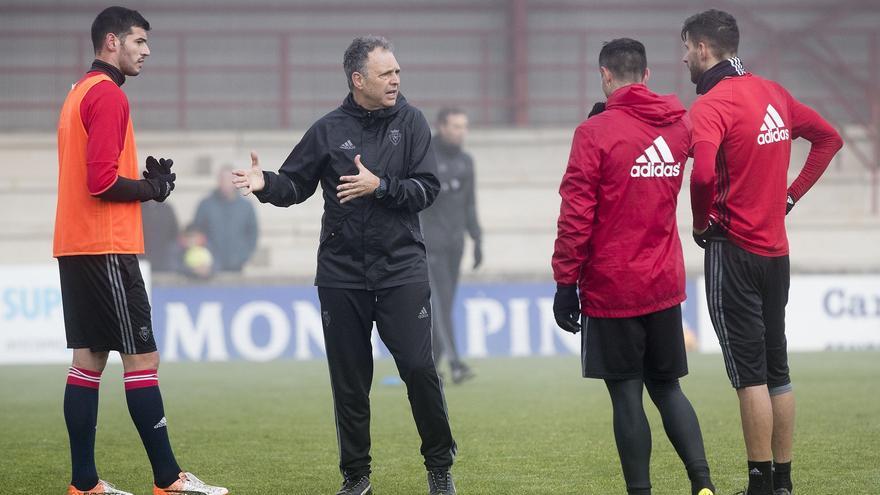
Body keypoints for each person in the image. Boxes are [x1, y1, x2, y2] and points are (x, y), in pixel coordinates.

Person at [232, 36, 457, 495]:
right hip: (342, 274)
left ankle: (439, 466)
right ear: (358, 80)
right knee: (350, 384)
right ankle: (356, 478)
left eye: (397, 71)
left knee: (418, 368)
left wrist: (382, 186)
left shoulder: (412, 123)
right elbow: (295, 184)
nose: (396, 79)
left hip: (402, 269)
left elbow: (427, 189)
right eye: (385, 73)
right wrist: (264, 183)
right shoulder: (328, 129)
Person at [53, 7, 227, 495]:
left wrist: (146, 184)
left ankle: (84, 484)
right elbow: (103, 180)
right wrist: (153, 188)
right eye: (139, 42)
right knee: (142, 359)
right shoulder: (107, 96)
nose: (146, 51)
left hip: (75, 243)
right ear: (112, 42)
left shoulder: (77, 93)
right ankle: (169, 480)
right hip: (106, 245)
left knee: (87, 360)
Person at [682, 10, 843, 495]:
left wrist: (700, 221)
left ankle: (758, 485)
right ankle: (784, 484)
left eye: (687, 47)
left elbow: (704, 175)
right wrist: (789, 196)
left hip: (734, 252)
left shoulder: (712, 104)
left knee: (749, 376)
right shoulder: (774, 92)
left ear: (705, 49)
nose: (685, 57)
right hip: (777, 253)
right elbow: (828, 138)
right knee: (778, 369)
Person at [551, 38, 716, 495]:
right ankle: (703, 485)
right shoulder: (679, 125)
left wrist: (566, 283)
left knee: (626, 394)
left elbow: (576, 214)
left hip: (612, 286)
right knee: (667, 388)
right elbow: (705, 170)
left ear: (605, 76)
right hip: (663, 281)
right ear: (646, 75)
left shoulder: (594, 133)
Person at [420, 107, 482, 384]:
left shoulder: (466, 162)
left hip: (456, 245)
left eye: (464, 126)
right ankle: (456, 364)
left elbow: (470, 204)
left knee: (445, 305)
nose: (461, 132)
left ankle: (431, 367)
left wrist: (477, 239)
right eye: (456, 126)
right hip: (430, 244)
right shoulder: (426, 158)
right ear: (442, 127)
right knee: (440, 306)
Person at [192, 166, 258, 272]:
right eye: (223, 179)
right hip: (210, 267)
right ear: (218, 181)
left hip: (237, 265)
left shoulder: (246, 206)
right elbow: (197, 232)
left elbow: (252, 234)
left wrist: (243, 256)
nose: (226, 183)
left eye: (229, 180)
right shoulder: (205, 205)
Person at [141, 200, 180, 273]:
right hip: (142, 258)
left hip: (163, 258)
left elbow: (174, 233)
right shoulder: (137, 208)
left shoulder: (166, 208)